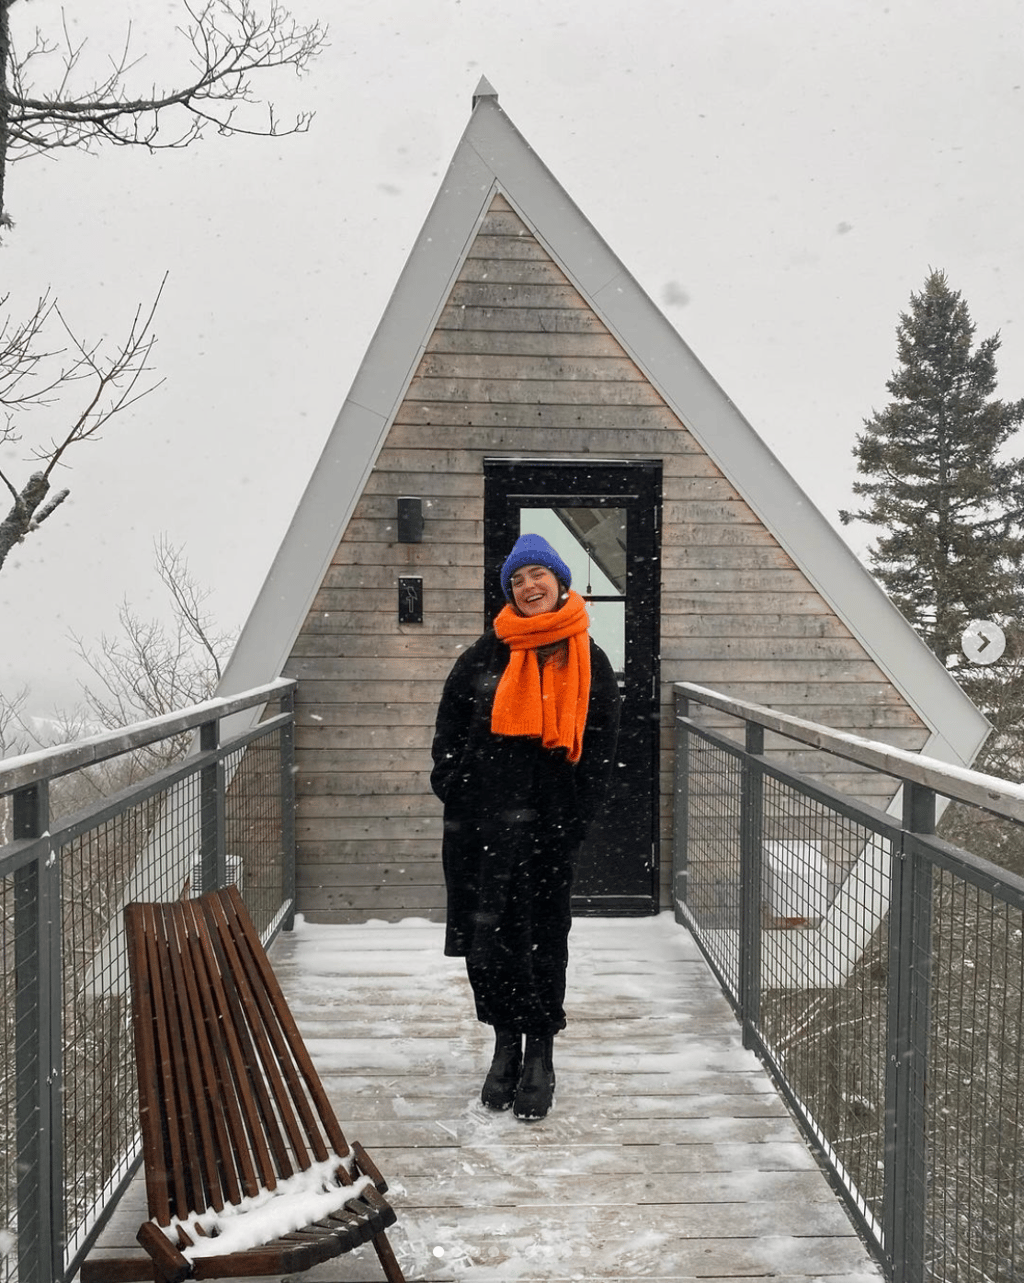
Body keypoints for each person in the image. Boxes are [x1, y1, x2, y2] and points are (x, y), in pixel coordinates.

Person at [430, 532, 621, 1121]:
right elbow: (447, 737)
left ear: (561, 582)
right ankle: (503, 1043)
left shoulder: (589, 659)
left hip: (546, 832)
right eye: (517, 579)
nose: (528, 586)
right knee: (486, 941)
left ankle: (539, 1049)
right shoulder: (482, 657)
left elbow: (600, 752)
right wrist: (457, 785)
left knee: (541, 937)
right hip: (479, 828)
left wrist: (571, 821)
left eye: (538, 574)